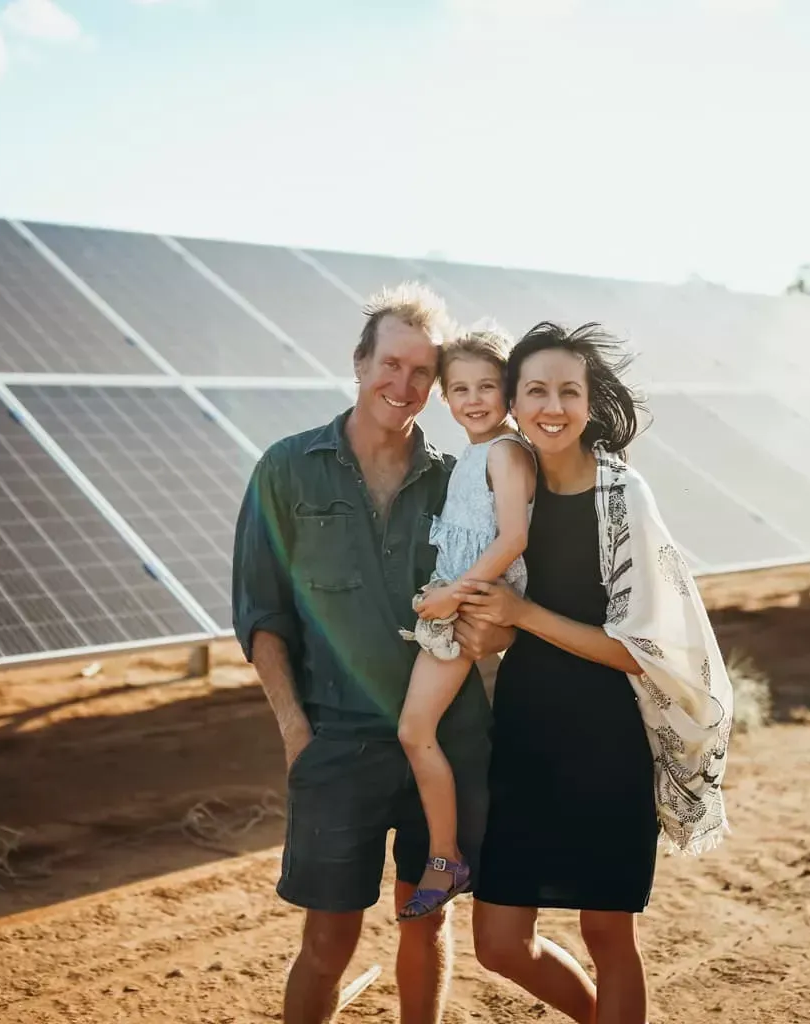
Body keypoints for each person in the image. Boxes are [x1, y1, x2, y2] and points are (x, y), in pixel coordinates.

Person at [231, 283, 513, 1024]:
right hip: (335, 744)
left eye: (423, 373)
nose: (404, 385)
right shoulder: (287, 471)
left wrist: (493, 630)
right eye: (391, 364)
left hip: (446, 746)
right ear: (359, 363)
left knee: (428, 923)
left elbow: (497, 608)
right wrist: (296, 734)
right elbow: (262, 616)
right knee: (327, 939)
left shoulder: (461, 483)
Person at [458, 321, 734, 1024]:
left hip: (610, 738)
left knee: (608, 932)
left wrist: (523, 615)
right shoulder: (504, 480)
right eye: (537, 390)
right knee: (498, 942)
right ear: (513, 402)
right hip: (524, 731)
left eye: (569, 390)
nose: (554, 406)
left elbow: (641, 651)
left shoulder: (624, 497)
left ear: (589, 401)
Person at [394, 324, 536, 921]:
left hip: (475, 597)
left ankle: (446, 858)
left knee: (413, 730)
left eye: (487, 386)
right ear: (445, 398)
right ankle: (448, 852)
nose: (474, 399)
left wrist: (453, 595)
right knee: (423, 730)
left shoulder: (504, 452)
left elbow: (513, 537)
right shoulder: (477, 454)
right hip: (463, 591)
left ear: (507, 390)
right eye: (460, 389)